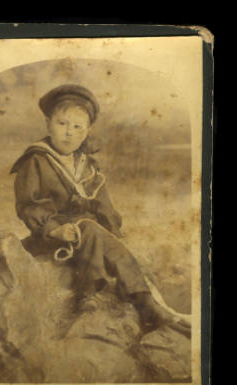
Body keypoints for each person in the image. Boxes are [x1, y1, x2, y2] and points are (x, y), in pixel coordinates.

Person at [10, 84, 190, 337]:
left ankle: (146, 301)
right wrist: (54, 230)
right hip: (52, 237)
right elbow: (29, 205)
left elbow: (101, 203)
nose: (69, 133)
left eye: (77, 127)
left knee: (108, 240)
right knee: (92, 231)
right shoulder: (36, 160)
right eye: (62, 124)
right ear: (48, 123)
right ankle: (90, 294)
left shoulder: (87, 163)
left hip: (87, 231)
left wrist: (114, 230)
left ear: (87, 131)